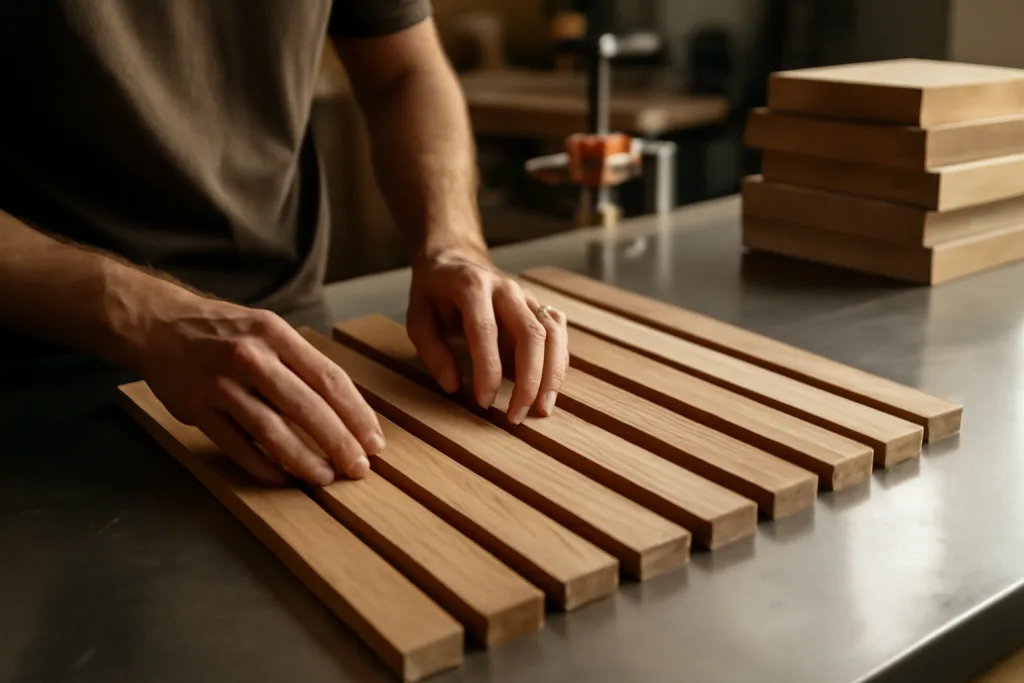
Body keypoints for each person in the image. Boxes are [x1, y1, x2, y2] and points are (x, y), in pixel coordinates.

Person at [0, 2, 567, 487]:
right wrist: (149, 316)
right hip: (39, 384)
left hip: (297, 346)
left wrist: (454, 242)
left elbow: (404, 72)